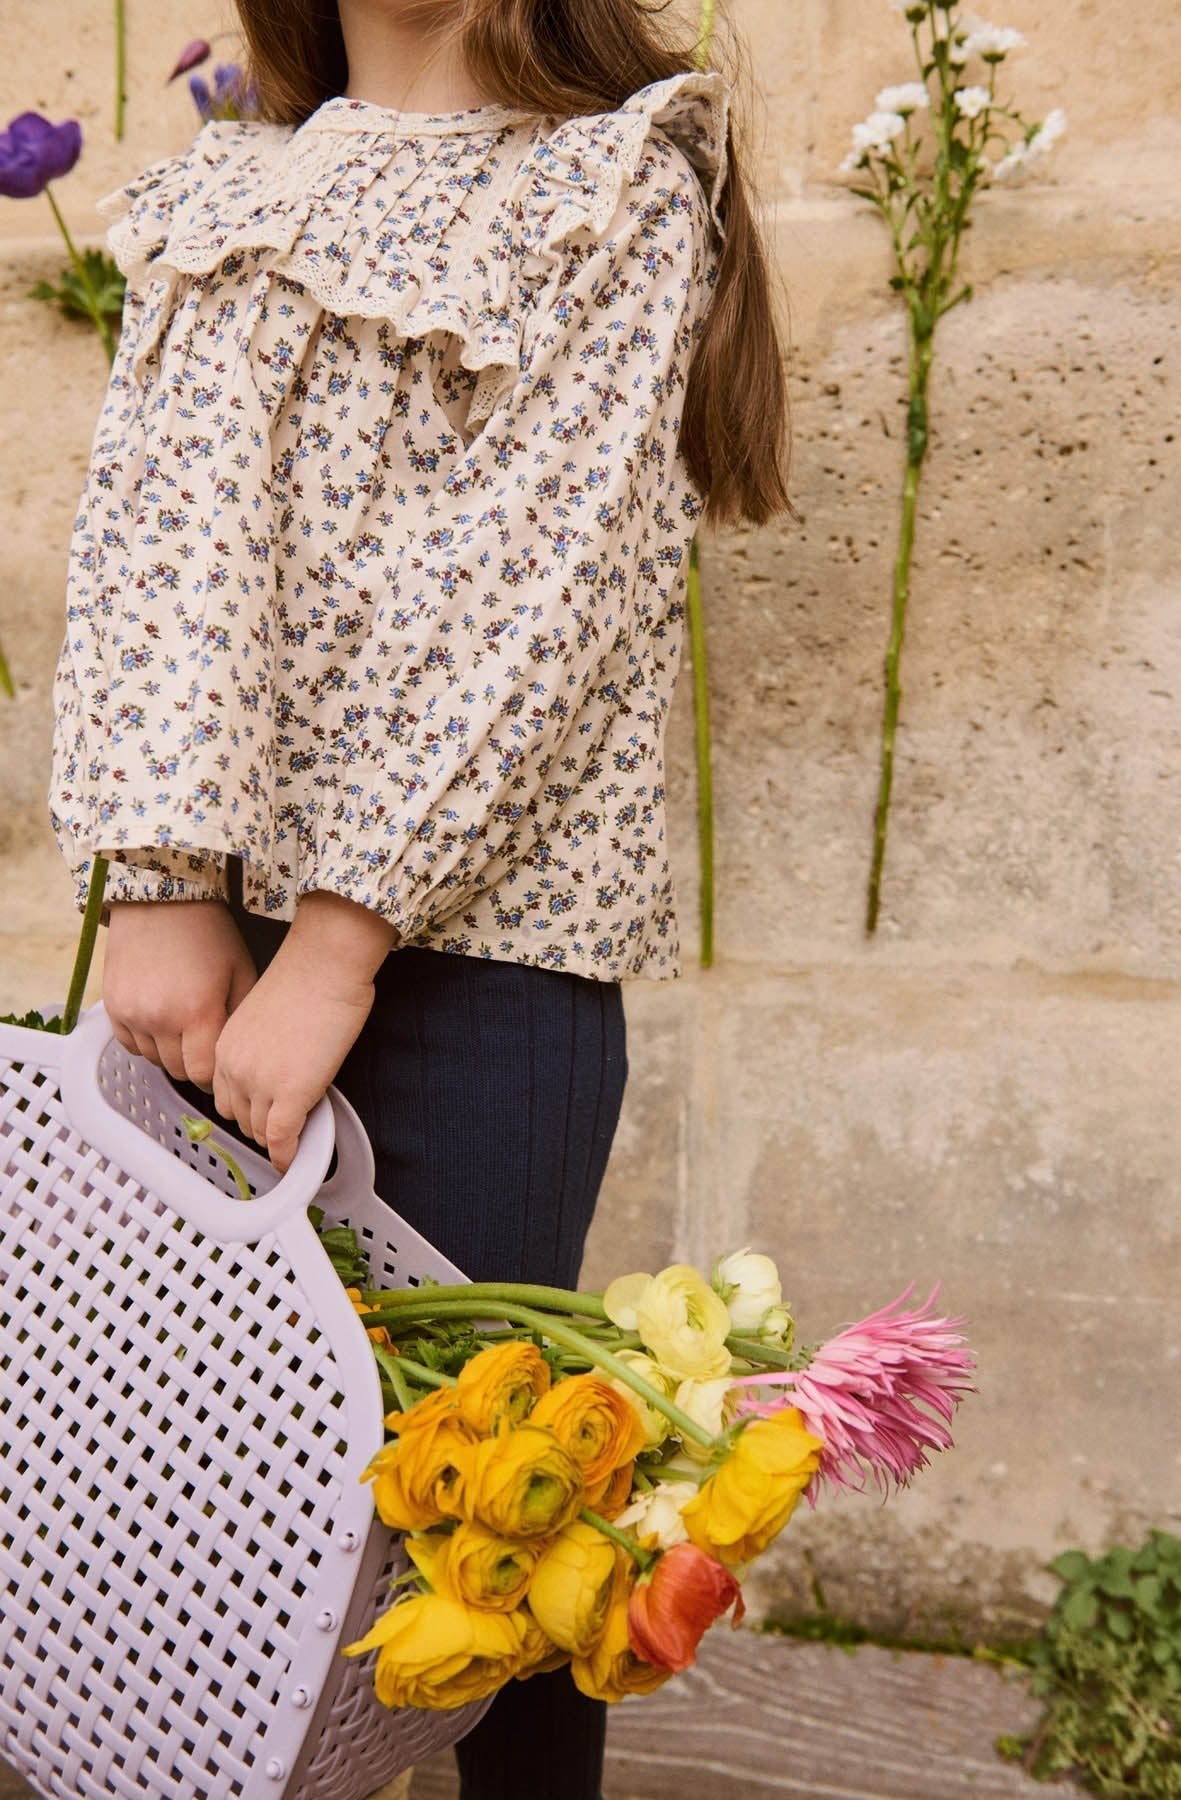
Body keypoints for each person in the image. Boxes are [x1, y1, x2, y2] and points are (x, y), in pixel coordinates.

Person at [48, 1, 789, 1794]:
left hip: (473, 971)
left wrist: (333, 945)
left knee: (493, 1525)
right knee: (190, 1502)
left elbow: (538, 597)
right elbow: (153, 560)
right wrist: (158, 885)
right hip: (209, 957)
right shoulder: (224, 193)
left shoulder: (609, 184)